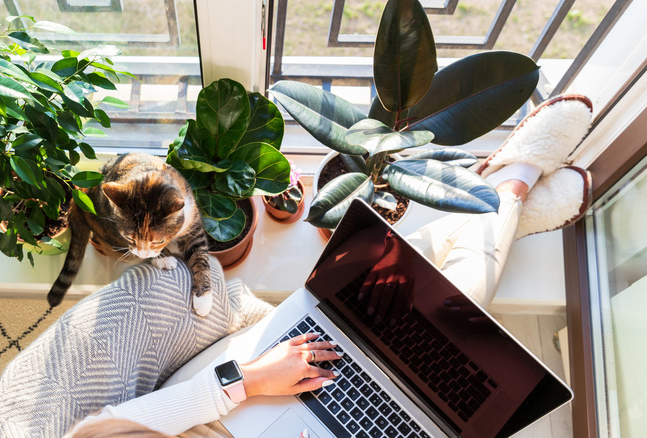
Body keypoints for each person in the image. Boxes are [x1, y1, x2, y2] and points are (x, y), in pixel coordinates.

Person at [61, 94, 594, 438]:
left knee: (415, 314)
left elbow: (109, 427)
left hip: (208, 410)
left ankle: (506, 190)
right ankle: (504, 196)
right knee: (432, 320)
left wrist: (244, 381)